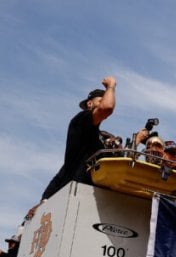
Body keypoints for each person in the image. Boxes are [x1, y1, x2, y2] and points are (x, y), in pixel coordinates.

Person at [28, 76, 117, 217]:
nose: (103, 102)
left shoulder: (95, 141)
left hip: (97, 202)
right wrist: (111, 86)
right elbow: (106, 108)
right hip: (74, 199)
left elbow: (65, 170)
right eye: (100, 100)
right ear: (89, 103)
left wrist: (44, 199)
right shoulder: (81, 120)